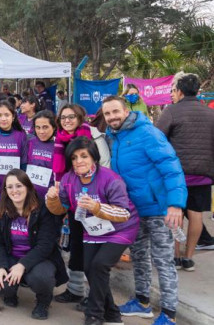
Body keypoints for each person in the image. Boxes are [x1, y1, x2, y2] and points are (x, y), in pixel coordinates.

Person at [103, 95, 187, 325]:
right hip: (133, 210)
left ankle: (169, 315)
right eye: (107, 114)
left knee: (163, 261)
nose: (111, 117)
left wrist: (175, 204)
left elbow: (172, 168)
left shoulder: (148, 133)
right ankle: (142, 303)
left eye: (115, 112)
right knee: (139, 257)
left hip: (159, 208)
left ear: (126, 110)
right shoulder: (112, 137)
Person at [46, 137, 139, 325]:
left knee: (99, 265)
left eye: (83, 156)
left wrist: (97, 207)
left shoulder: (110, 178)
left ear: (94, 157)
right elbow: (61, 208)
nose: (78, 161)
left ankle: (94, 314)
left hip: (121, 228)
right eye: (74, 157)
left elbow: (123, 213)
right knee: (89, 268)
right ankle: (112, 314)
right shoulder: (68, 179)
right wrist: (52, 199)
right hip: (92, 230)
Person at [0, 169, 67, 321]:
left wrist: (22, 265)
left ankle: (43, 301)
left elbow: (45, 245)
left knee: (41, 278)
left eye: (19, 186)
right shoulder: (0, 209)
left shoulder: (42, 208)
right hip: (12, 255)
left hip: (39, 258)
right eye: (9, 187)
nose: (14, 190)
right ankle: (10, 293)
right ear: (5, 190)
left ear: (28, 187)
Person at [53, 103, 110, 309]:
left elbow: (104, 165)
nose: (67, 121)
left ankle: (95, 296)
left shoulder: (93, 136)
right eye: (63, 117)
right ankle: (76, 290)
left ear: (80, 117)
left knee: (93, 251)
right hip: (72, 201)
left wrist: (98, 199)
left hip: (95, 201)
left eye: (71, 117)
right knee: (76, 246)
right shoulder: (59, 139)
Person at [156, 73, 214, 272]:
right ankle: (189, 259)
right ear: (197, 91)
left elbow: (158, 139)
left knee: (176, 213)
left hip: (176, 174)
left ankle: (175, 256)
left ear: (180, 91)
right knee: (196, 215)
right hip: (203, 174)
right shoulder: (210, 113)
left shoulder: (171, 111)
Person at [24, 111, 56, 200]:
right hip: (29, 196)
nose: (41, 131)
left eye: (45, 127)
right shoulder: (29, 143)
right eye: (38, 127)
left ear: (53, 127)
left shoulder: (59, 146)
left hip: (49, 198)